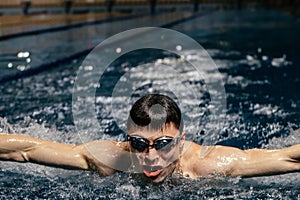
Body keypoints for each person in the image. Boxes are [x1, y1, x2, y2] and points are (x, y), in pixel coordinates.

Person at [0, 94, 299, 183]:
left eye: (164, 144)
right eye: (140, 144)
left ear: (181, 142)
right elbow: (27, 150)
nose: (151, 156)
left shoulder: (208, 165)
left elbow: (287, 157)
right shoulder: (113, 159)